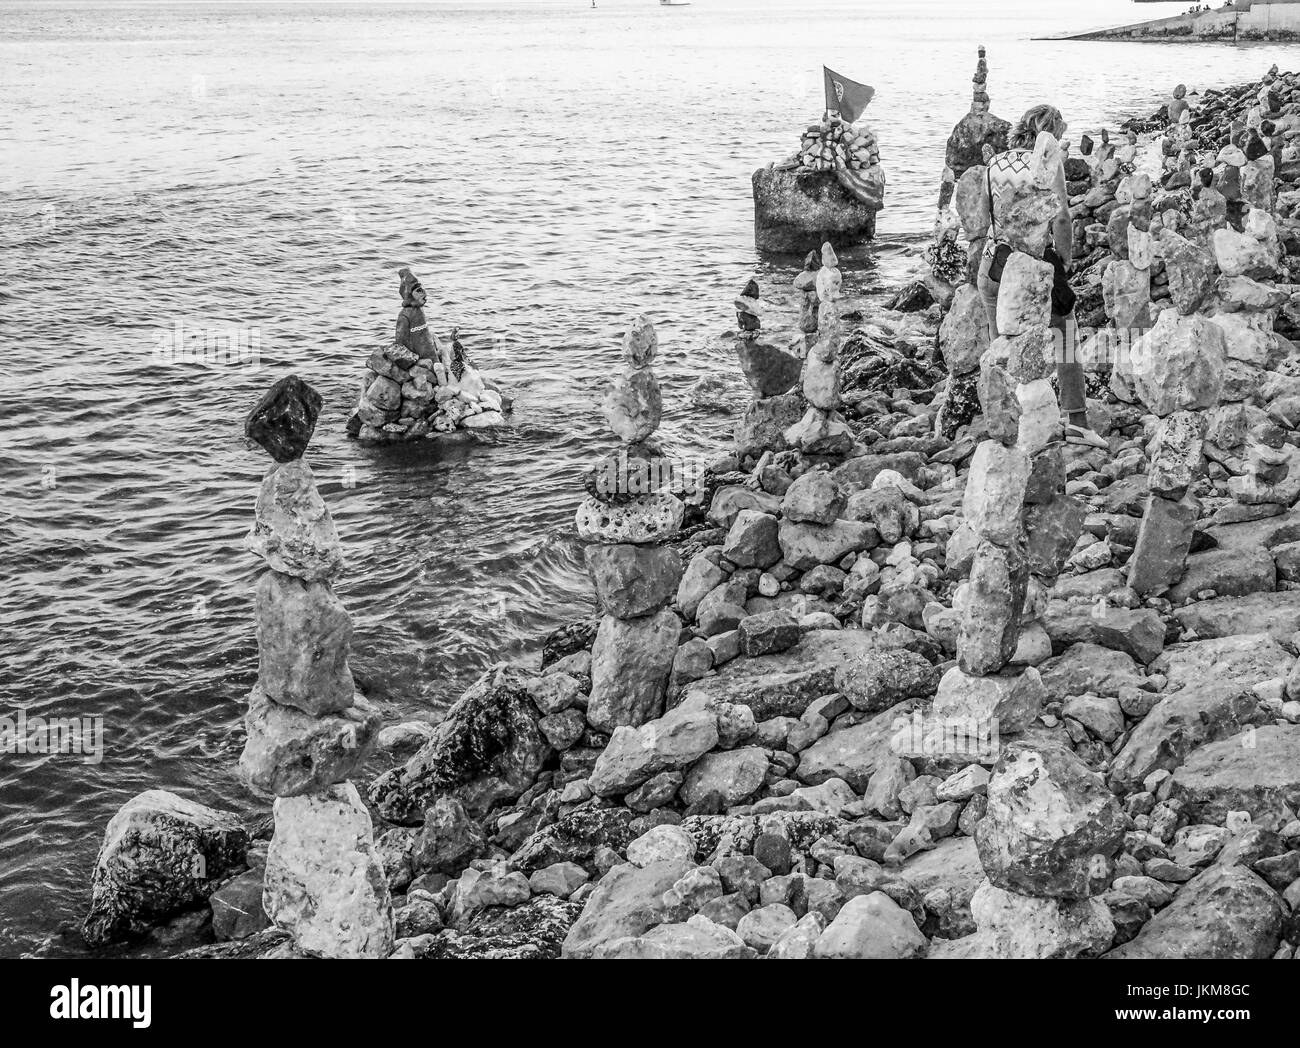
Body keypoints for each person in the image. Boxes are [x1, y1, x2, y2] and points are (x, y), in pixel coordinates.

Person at [976, 104, 1106, 449]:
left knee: (1002, 347)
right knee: (1065, 334)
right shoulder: (1046, 163)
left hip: (993, 264)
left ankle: (1007, 425)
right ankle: (1076, 420)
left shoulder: (994, 163)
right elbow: (1061, 217)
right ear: (1051, 133)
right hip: (1031, 268)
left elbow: (984, 215)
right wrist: (1062, 259)